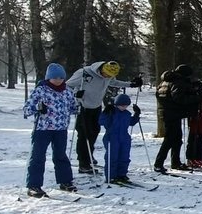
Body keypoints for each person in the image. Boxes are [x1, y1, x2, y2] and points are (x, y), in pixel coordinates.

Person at [66, 60, 138, 174]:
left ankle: (89, 157)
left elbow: (114, 82)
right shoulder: (84, 73)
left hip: (96, 107)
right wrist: (75, 95)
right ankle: (83, 163)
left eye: (110, 76)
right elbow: (67, 85)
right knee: (84, 134)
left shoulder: (108, 76)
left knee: (94, 132)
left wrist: (130, 84)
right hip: (83, 107)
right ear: (102, 69)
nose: (107, 77)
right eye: (106, 75)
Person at [23, 63, 77, 196]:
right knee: (38, 157)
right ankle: (33, 185)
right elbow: (26, 109)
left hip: (61, 129)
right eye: (55, 78)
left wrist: (78, 105)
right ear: (48, 78)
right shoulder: (41, 90)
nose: (58, 80)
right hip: (43, 129)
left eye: (61, 77)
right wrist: (37, 108)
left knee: (60, 155)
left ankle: (65, 181)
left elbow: (73, 108)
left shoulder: (68, 91)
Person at [154, 64, 200, 172]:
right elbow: (179, 98)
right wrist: (195, 97)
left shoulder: (165, 81)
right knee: (170, 139)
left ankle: (175, 162)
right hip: (172, 113)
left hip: (167, 112)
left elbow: (159, 95)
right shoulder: (177, 82)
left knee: (176, 139)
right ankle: (159, 163)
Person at [99, 93, 141, 182]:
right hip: (112, 137)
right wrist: (106, 112)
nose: (124, 107)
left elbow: (131, 122)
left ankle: (122, 174)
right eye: (122, 105)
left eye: (125, 105)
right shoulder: (111, 112)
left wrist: (137, 114)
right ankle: (111, 176)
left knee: (124, 157)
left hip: (124, 138)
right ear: (116, 104)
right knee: (112, 157)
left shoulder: (126, 114)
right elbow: (101, 121)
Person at [185, 80, 202, 168]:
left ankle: (199, 157)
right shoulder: (191, 94)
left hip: (201, 119)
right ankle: (191, 158)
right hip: (194, 119)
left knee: (201, 138)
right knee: (193, 139)